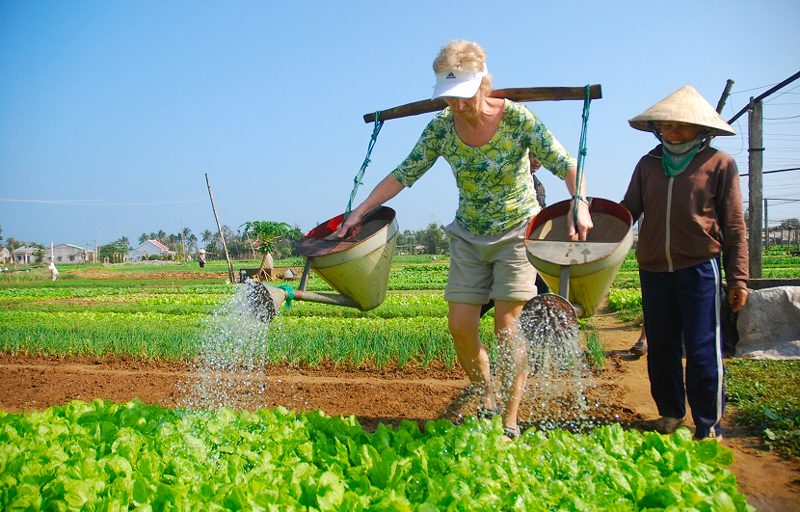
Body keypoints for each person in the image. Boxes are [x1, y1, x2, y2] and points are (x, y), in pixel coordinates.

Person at [339, 40, 593, 438]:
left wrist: (579, 202)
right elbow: (403, 174)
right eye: (449, 97)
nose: (456, 105)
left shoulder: (517, 119)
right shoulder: (441, 127)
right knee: (460, 327)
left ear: (483, 84)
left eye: (463, 95)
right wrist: (360, 211)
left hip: (514, 231)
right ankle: (487, 395)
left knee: (507, 328)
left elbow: (566, 163)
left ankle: (510, 418)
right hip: (469, 233)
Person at [620, 85, 749, 441]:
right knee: (660, 345)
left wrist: (739, 278)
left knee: (703, 346)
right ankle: (670, 413)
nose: (672, 132)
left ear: (701, 129)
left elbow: (735, 224)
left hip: (700, 268)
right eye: (666, 125)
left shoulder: (719, 164)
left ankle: (708, 423)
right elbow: (630, 209)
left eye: (681, 125)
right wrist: (596, 226)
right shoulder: (649, 164)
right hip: (653, 268)